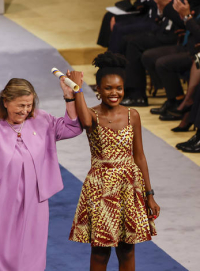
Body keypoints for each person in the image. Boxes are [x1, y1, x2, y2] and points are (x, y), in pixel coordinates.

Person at [0, 58, 83, 270]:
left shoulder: (42, 120)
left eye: (29, 105)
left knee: (29, 254)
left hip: (34, 201)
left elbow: (72, 127)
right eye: (20, 105)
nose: (25, 110)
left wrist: (69, 97)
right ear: (5, 101)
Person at [69, 52, 160, 270]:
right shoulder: (91, 114)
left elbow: (139, 155)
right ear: (98, 90)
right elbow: (82, 120)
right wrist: (77, 88)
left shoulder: (132, 115)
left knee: (127, 248)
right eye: (108, 88)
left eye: (119, 88)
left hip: (129, 187)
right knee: (100, 250)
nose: (114, 93)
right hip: (101, 188)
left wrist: (149, 195)